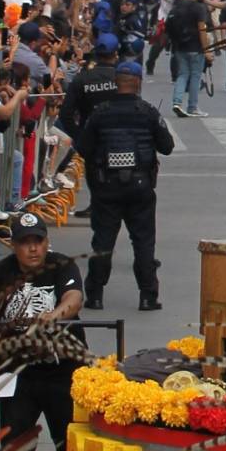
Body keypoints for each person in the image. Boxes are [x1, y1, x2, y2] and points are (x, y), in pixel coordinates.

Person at [0, 211, 82, 451]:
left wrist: (54, 315)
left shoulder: (62, 264)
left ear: (47, 242)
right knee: (14, 450)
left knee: (70, 448)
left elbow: (74, 298)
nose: (33, 249)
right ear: (13, 245)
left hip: (61, 370)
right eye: (25, 242)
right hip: (16, 372)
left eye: (38, 241)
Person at [76, 61, 173, 311]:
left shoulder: (99, 113)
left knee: (103, 243)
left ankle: (95, 296)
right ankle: (148, 296)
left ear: (115, 83)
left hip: (106, 188)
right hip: (140, 187)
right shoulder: (148, 112)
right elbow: (167, 146)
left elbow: (83, 147)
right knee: (143, 243)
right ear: (138, 83)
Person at [56, 32, 120, 142]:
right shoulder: (123, 79)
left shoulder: (81, 78)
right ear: (116, 54)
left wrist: (79, 136)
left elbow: (65, 114)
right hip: (117, 139)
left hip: (89, 139)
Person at [165, 0, 212, 118]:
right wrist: (207, 50)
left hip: (180, 47)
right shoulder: (199, 8)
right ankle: (192, 106)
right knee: (195, 76)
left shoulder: (178, 6)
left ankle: (177, 102)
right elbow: (202, 30)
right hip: (196, 48)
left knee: (183, 75)